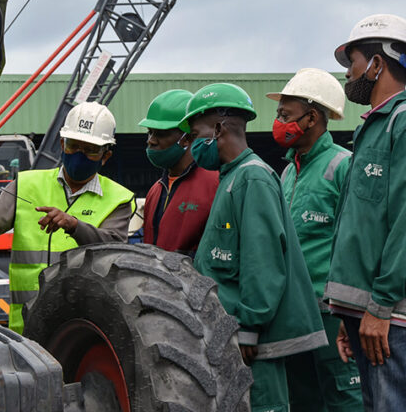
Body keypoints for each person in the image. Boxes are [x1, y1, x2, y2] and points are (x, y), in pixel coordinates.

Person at [325, 14, 406, 412]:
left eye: (352, 62)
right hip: (372, 311)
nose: (348, 74)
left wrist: (379, 307)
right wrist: (350, 312)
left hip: (391, 312)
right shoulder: (373, 128)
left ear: (377, 63)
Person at [183, 82, 327, 412]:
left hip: (253, 342)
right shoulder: (232, 177)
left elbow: (261, 260)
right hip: (235, 335)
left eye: (195, 134)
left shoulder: (252, 178)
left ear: (218, 128)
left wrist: (249, 327)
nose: (191, 145)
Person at [0, 101, 135, 334]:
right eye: (74, 146)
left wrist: (74, 225)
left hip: (84, 329)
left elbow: (115, 248)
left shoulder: (119, 199)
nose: (80, 155)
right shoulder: (26, 185)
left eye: (90, 150)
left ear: (105, 156)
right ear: (61, 144)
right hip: (25, 329)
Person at [266, 68, 363, 411]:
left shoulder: (343, 166)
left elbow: (357, 241)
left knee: (345, 398)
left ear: (311, 118)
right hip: (296, 312)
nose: (277, 122)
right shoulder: (288, 172)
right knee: (303, 397)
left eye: (285, 115)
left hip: (333, 312)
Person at [138, 89, 218, 257]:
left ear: (187, 138)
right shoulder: (156, 190)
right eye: (150, 132)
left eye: (160, 133)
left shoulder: (216, 185)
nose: (151, 140)